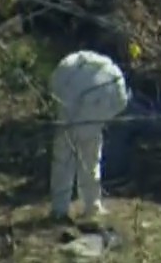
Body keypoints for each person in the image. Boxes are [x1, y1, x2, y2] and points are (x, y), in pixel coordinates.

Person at [49, 50, 130, 221]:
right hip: (76, 113)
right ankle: (73, 207)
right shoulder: (111, 78)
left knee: (72, 158)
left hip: (76, 112)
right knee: (78, 157)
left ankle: (68, 207)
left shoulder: (75, 70)